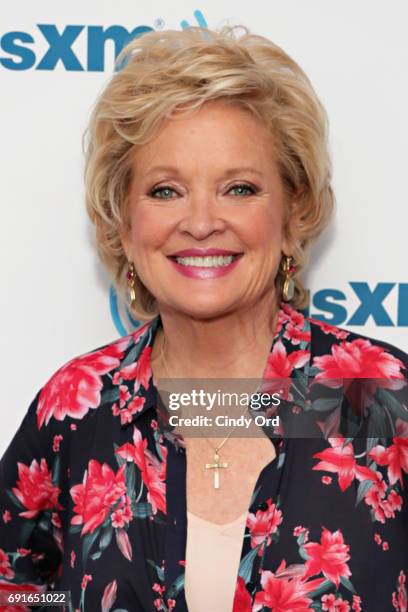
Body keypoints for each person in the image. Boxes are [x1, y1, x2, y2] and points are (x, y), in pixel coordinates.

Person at [0, 25, 407, 612]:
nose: (200, 222)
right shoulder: (78, 408)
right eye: (165, 191)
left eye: (239, 188)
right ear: (123, 224)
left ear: (293, 213)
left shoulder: (380, 394)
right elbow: (16, 590)